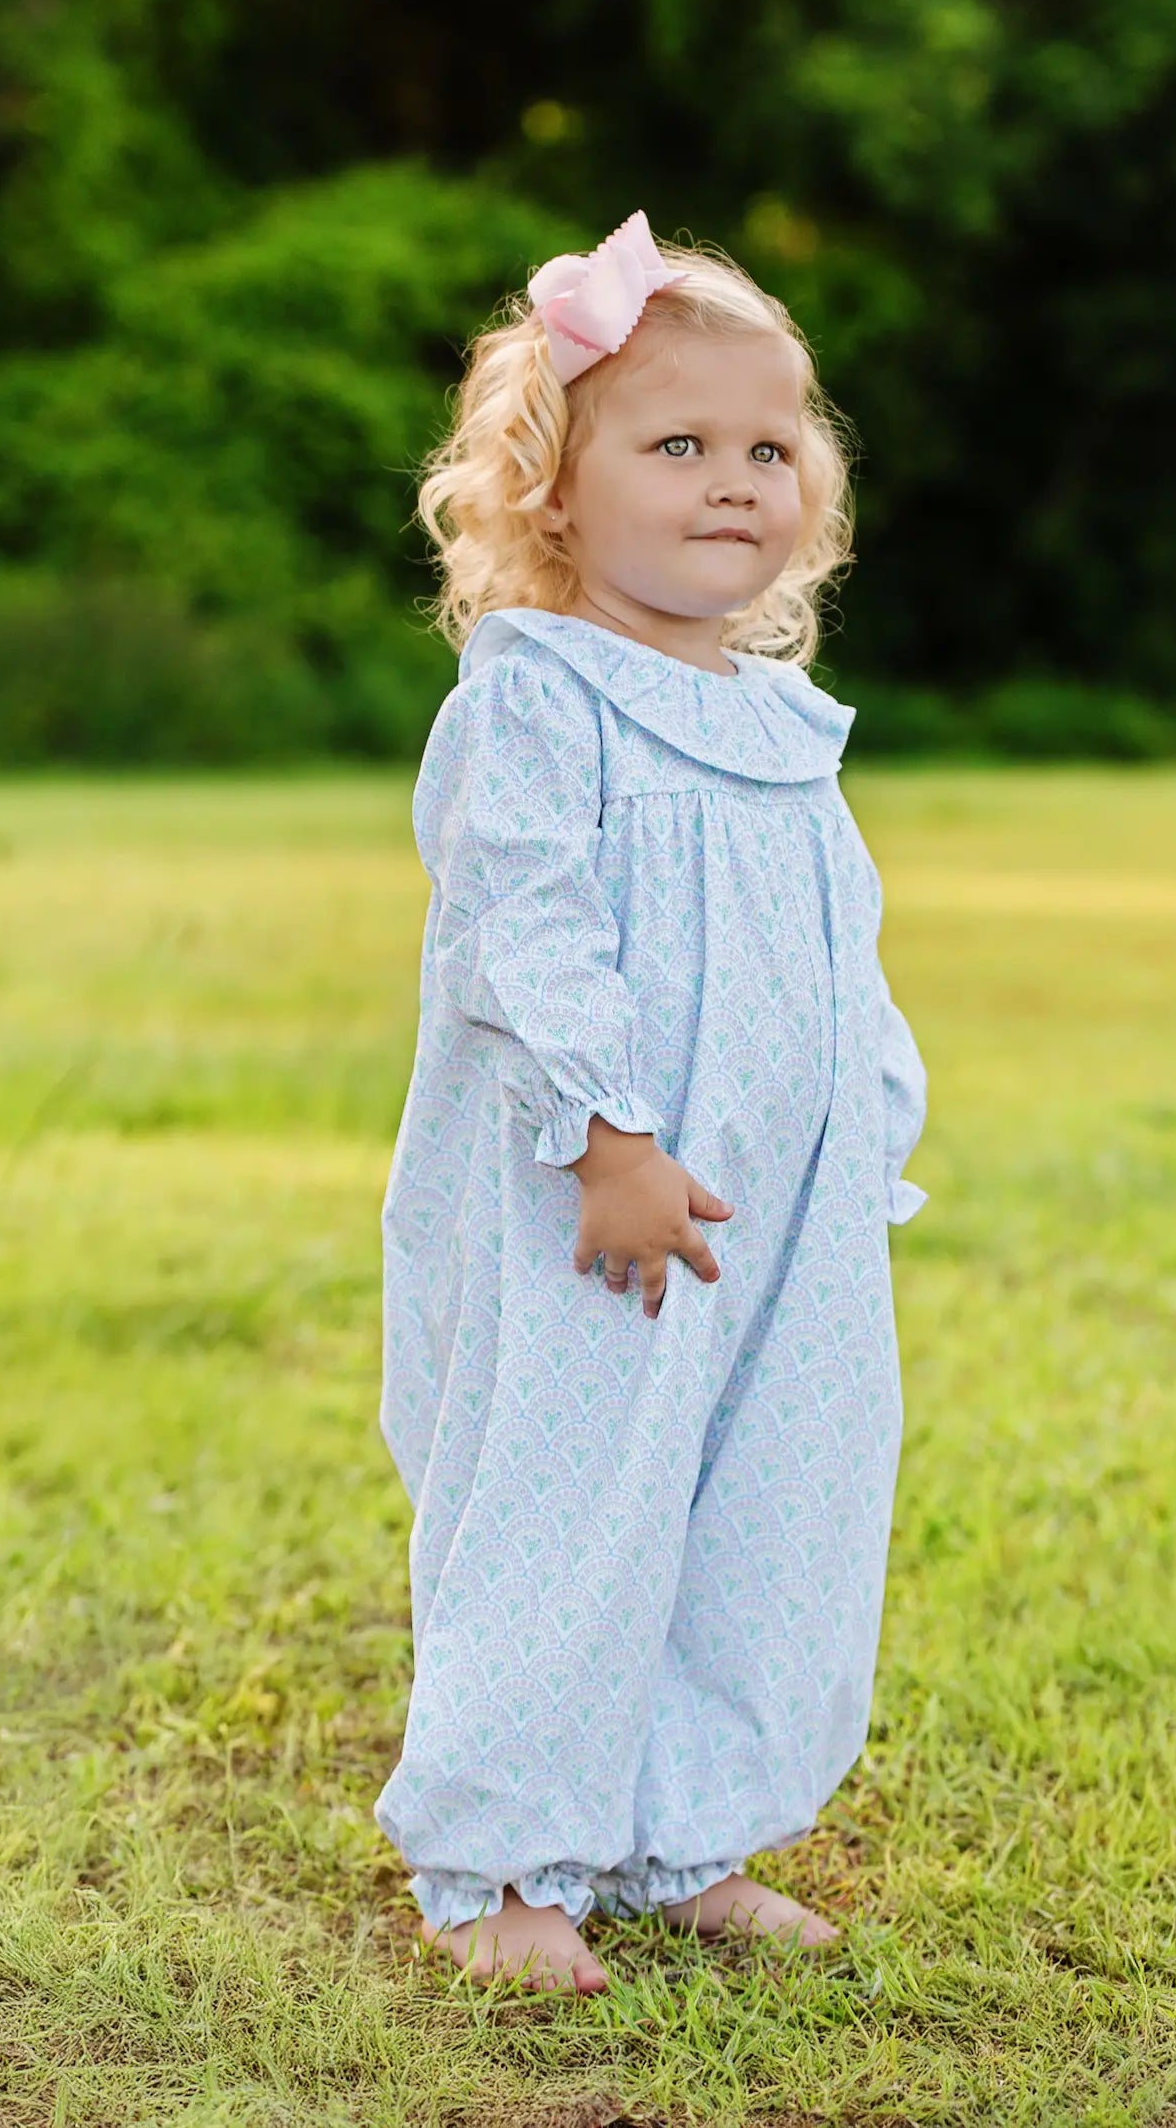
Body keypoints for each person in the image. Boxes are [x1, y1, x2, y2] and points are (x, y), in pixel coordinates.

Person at [373, 211, 928, 1994]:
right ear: (550, 488)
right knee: (571, 1505)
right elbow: (521, 927)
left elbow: (831, 943)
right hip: (597, 1195)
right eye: (677, 444)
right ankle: (500, 1858)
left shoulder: (778, 717)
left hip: (773, 1205)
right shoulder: (537, 698)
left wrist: (868, 1127)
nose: (733, 482)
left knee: (768, 1507)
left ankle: (681, 1835)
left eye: (767, 448)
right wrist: (608, 1133)